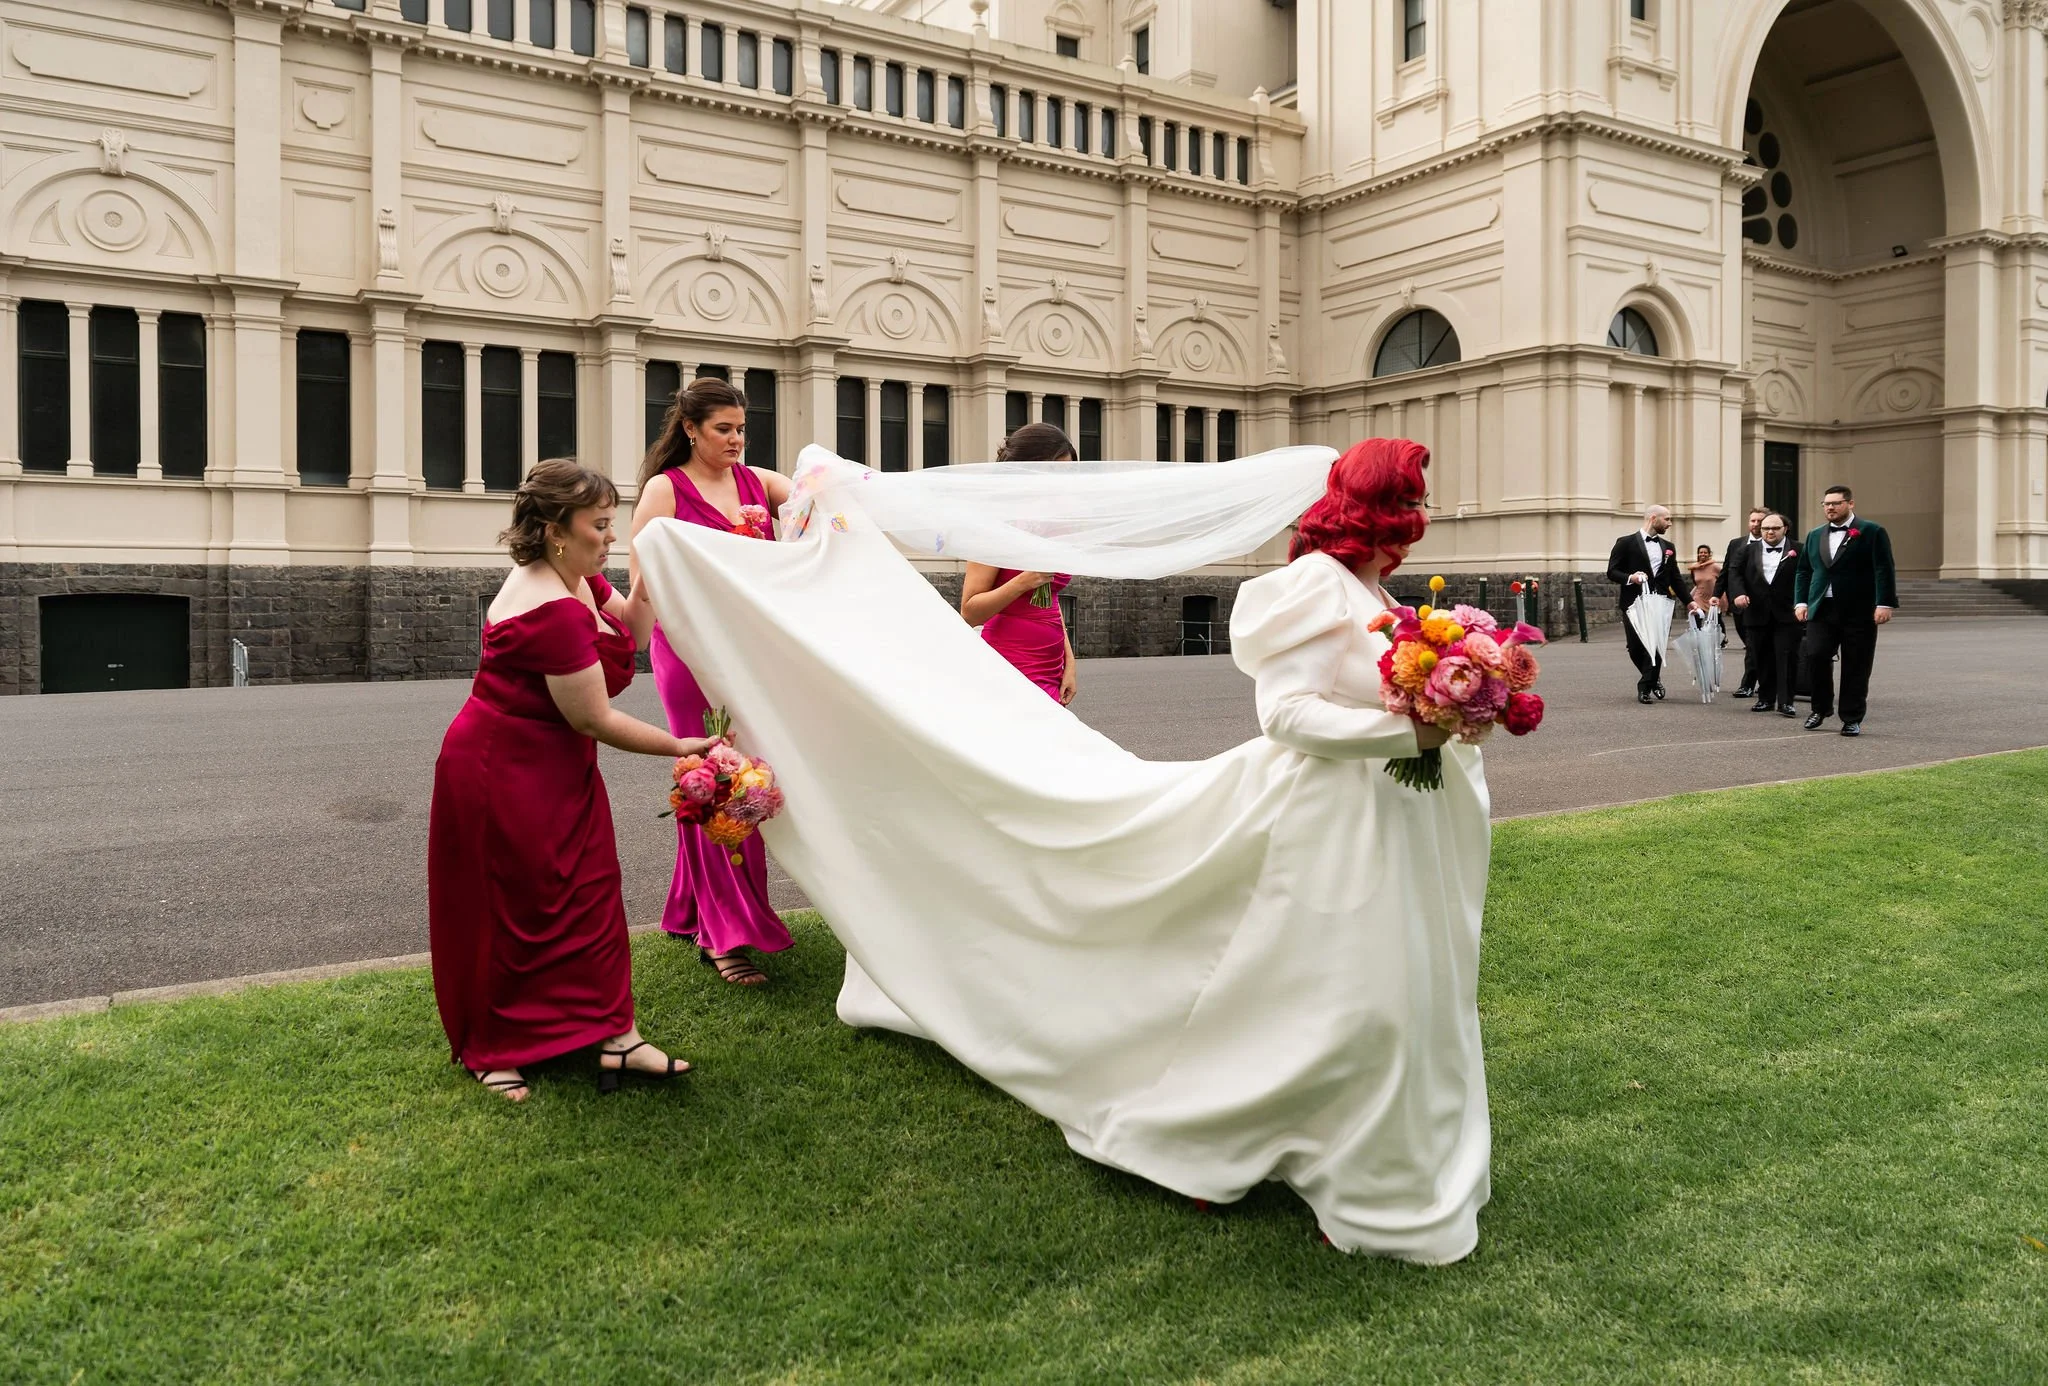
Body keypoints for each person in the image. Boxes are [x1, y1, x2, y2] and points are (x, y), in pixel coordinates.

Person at [634, 437, 1494, 1262]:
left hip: (1383, 823)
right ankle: (1271, 1144)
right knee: (1339, 990)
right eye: (1411, 499)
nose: (1423, 512)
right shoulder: (1312, 586)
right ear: (1377, 509)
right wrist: (1413, 733)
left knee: (1374, 988)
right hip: (1328, 818)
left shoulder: (1377, 595)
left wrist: (1456, 708)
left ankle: (1365, 1150)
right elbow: (1288, 714)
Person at [428, 459, 711, 1101]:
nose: (609, 538)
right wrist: (681, 744)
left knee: (590, 893)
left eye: (613, 525)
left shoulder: (576, 576)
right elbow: (595, 717)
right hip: (503, 767)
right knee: (516, 906)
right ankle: (495, 1049)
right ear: (558, 529)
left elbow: (632, 632)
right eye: (600, 526)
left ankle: (619, 1037)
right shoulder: (549, 606)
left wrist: (653, 571)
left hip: (559, 763)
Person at [628, 377, 795, 986]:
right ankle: (725, 937)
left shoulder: (758, 483)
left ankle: (688, 909)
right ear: (691, 429)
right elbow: (644, 572)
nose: (735, 440)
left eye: (741, 429)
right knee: (720, 783)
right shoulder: (664, 489)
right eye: (723, 429)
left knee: (744, 769)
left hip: (747, 655)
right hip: (691, 655)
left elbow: (818, 493)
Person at [959, 422, 1080, 704]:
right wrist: (1024, 581)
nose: (1065, 485)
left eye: (1069, 474)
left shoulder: (1055, 526)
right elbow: (969, 612)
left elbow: (1049, 600)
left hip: (1052, 665)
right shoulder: (992, 526)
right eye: (1056, 474)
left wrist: (1070, 664)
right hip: (1011, 661)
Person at [1794, 484, 1897, 736]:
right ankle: (1820, 709)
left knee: (1856, 665)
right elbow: (1804, 570)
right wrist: (1801, 601)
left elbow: (1884, 567)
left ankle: (1852, 717)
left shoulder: (1871, 531)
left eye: (1835, 503)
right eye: (1826, 504)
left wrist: (1884, 603)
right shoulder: (1815, 534)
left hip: (1859, 610)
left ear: (1850, 504)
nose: (1830, 507)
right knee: (1816, 656)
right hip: (1822, 608)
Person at [1605, 505, 1690, 703]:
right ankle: (1653, 678)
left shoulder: (1669, 547)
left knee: (1657, 644)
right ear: (1653, 518)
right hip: (1633, 602)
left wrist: (1690, 602)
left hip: (1661, 602)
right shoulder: (1625, 543)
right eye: (1667, 519)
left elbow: (1675, 578)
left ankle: (1645, 686)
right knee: (1635, 646)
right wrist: (1631, 577)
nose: (1670, 523)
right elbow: (1612, 571)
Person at [1726, 513, 1802, 716]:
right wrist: (1738, 593)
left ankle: (1786, 702)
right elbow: (1734, 573)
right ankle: (1766, 698)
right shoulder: (1747, 550)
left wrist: (1803, 602)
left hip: (1788, 613)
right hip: (1756, 612)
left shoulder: (1799, 550)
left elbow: (1807, 576)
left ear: (1785, 528)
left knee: (1787, 657)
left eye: (1775, 528)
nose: (1769, 532)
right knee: (1761, 657)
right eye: (1765, 528)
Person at [1718, 509, 1766, 697]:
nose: (1755, 524)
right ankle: (1764, 681)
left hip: (1763, 604)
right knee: (1751, 643)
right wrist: (1716, 594)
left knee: (1754, 645)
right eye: (1752, 520)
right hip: (1739, 604)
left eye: (1759, 521)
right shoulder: (1736, 544)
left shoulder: (1774, 545)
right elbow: (1726, 571)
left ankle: (1748, 684)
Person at [1688, 544, 1722, 615]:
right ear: (1698, 554)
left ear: (1709, 554)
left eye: (1705, 552)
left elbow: (1723, 578)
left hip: (1712, 596)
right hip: (1699, 596)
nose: (1703, 554)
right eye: (1701, 552)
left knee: (1716, 620)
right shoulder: (1694, 568)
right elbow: (1695, 582)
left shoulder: (1714, 567)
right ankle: (1696, 626)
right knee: (1697, 616)